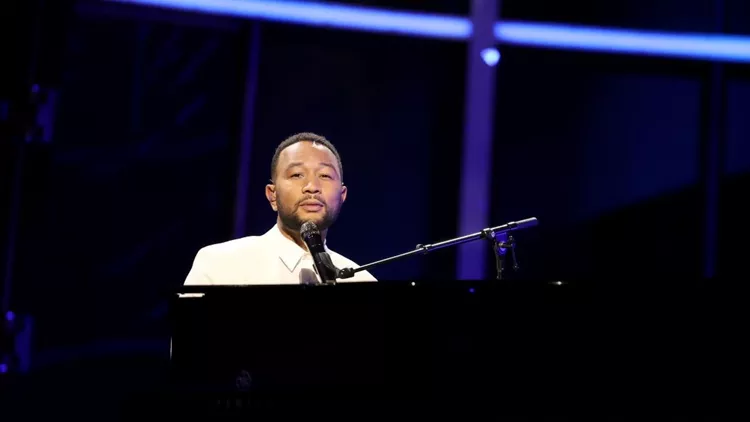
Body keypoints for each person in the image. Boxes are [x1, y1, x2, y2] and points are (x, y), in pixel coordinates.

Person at [184, 132, 377, 285]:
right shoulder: (221, 265)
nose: (312, 186)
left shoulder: (362, 282)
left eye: (325, 175)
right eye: (297, 175)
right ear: (272, 195)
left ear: (342, 195)